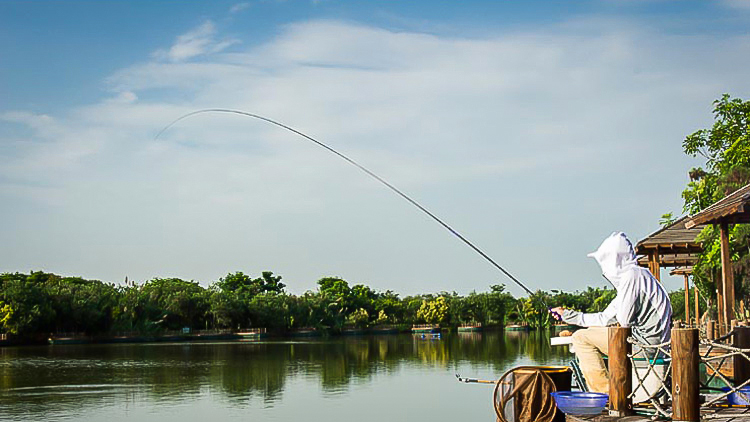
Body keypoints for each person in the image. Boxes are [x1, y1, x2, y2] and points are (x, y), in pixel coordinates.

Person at [549, 232, 672, 394]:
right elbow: (605, 317)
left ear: (613, 259)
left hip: (646, 347)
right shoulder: (640, 276)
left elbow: (624, 320)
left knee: (580, 338)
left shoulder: (632, 277)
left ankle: (604, 392)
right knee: (588, 333)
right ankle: (608, 388)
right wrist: (567, 315)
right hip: (652, 345)